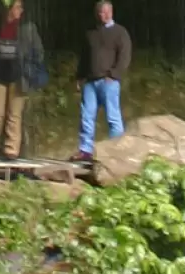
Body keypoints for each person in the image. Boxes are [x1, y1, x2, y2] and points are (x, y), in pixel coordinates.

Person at [70, 1, 132, 162]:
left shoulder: (120, 32)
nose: (103, 15)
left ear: (112, 12)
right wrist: (79, 76)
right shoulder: (91, 33)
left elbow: (125, 56)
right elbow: (85, 57)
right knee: (87, 116)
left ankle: (117, 151)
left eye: (106, 12)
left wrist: (114, 74)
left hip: (108, 81)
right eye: (100, 12)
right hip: (90, 81)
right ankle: (85, 151)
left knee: (113, 116)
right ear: (96, 14)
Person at [0, 0, 45, 160]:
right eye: (18, 7)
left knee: (14, 114)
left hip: (20, 77)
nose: (21, 10)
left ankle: (11, 151)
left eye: (21, 7)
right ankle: (1, 144)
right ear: (9, 9)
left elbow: (39, 51)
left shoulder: (28, 28)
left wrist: (30, 68)